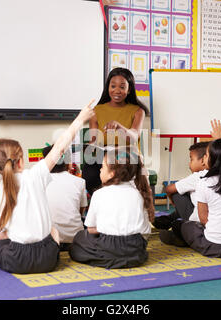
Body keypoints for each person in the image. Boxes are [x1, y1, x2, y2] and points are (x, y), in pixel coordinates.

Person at [0, 100, 95, 274]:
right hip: (48, 258)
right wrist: (80, 118)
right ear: (21, 161)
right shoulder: (35, 175)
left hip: (16, 261)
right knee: (53, 230)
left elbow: (1, 233)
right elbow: (60, 146)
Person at [161, 136, 221, 258]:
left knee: (182, 226)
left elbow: (203, 219)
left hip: (215, 246)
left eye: (206, 155)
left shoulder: (204, 182)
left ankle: (181, 238)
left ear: (214, 159)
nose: (204, 159)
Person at [69, 146, 154, 269]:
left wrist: (108, 227)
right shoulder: (139, 194)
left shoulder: (99, 194)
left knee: (80, 238)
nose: (100, 170)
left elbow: (91, 229)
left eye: (102, 167)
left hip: (109, 247)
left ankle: (111, 260)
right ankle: (128, 259)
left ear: (112, 174)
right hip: (135, 248)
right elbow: (144, 230)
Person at [82, 67, 150, 195]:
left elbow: (134, 137)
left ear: (129, 89)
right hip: (104, 155)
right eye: (113, 86)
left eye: (122, 87)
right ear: (108, 88)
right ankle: (100, 203)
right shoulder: (96, 110)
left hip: (127, 156)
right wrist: (90, 146)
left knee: (125, 173)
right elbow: (94, 140)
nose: (117, 91)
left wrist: (120, 127)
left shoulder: (138, 111)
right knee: (89, 174)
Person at [153, 141, 209, 230]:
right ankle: (168, 219)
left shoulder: (198, 176)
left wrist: (173, 202)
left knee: (177, 193)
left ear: (203, 160)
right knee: (185, 192)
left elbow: (168, 189)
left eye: (191, 159)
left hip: (198, 223)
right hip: (217, 223)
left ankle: (170, 222)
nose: (189, 163)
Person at [42, 144, 88, 251]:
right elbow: (80, 211)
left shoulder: (40, 182)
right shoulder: (80, 182)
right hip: (75, 240)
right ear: (68, 163)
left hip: (49, 241)